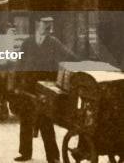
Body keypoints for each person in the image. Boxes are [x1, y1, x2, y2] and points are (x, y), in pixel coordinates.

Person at [14, 17, 78, 163]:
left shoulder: (53, 42)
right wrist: (17, 85)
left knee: (45, 121)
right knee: (25, 120)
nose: (48, 27)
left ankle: (53, 157)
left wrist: (82, 62)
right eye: (45, 24)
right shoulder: (28, 42)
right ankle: (25, 153)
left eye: (50, 25)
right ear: (38, 25)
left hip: (44, 88)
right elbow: (19, 63)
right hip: (27, 86)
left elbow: (68, 55)